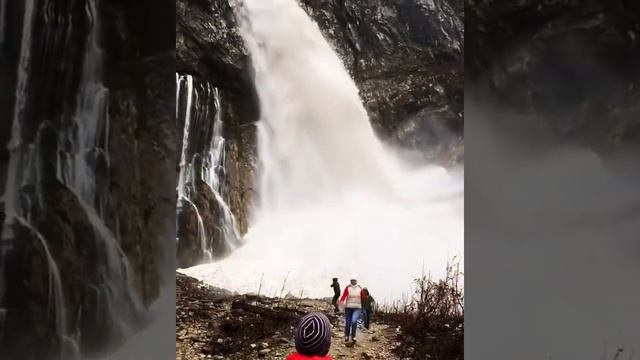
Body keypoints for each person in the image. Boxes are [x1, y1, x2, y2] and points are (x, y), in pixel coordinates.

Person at [338, 274, 365, 343]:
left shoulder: (360, 288)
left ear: (356, 281)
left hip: (357, 308)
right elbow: (344, 296)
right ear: (350, 281)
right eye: (351, 280)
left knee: (353, 321)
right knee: (348, 323)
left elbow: (363, 297)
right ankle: (347, 336)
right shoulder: (348, 288)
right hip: (348, 307)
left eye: (354, 280)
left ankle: (353, 336)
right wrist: (341, 302)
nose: (353, 282)